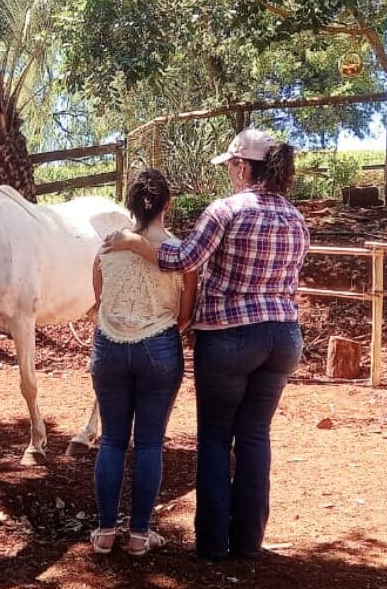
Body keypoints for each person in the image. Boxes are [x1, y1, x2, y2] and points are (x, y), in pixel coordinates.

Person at [102, 129, 309, 560]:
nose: (229, 172)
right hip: (283, 336)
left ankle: (214, 544)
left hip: (230, 336)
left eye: (230, 165)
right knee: (255, 436)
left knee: (216, 438)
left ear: (241, 166)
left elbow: (180, 259)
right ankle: (249, 542)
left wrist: (130, 241)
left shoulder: (226, 211)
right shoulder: (294, 216)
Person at [88, 169, 198, 556]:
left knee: (113, 440)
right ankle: (138, 534)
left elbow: (100, 297)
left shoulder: (107, 248)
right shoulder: (180, 253)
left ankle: (103, 531)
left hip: (109, 347)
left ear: (129, 207)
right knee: (150, 441)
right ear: (167, 205)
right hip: (159, 346)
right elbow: (186, 314)